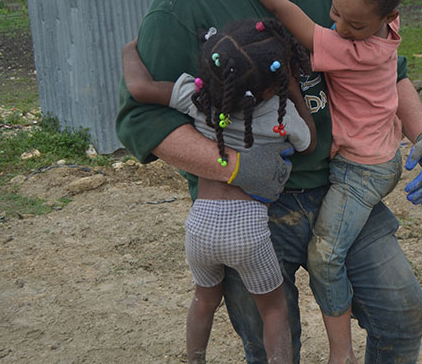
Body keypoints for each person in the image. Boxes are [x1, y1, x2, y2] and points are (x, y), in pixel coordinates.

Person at [116, 0, 422, 363]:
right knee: (273, 349)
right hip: (247, 210)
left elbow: (391, 74)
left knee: (402, 316)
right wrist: (236, 164)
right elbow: (143, 119)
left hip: (341, 184)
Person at [223, 0, 422, 363]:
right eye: (335, 14)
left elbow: (283, 12)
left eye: (353, 24)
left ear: (384, 19)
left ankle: (340, 353)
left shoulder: (354, 50)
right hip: (374, 157)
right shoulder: (386, 25)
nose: (341, 27)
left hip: (361, 171)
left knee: (325, 256)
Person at [122, 18, 316, 364]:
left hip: (199, 227)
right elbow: (309, 142)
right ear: (272, 85)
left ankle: (194, 358)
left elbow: (140, 88)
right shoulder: (279, 115)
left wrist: (129, 50)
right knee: (273, 311)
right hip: (248, 232)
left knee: (204, 300)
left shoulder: (198, 99)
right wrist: (292, 89)